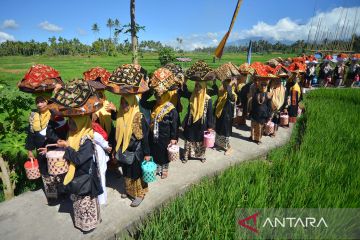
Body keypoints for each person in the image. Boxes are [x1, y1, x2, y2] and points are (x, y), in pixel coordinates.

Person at [55, 116, 103, 232]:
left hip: (84, 175)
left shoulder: (86, 140)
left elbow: (79, 159)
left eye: (74, 123)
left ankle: (90, 225)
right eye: (70, 122)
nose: (70, 125)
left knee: (86, 202)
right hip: (76, 175)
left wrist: (67, 147)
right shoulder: (71, 135)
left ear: (82, 123)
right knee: (78, 202)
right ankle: (81, 223)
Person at [108, 95, 151, 207]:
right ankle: (129, 191)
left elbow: (145, 137)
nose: (123, 105)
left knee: (136, 173)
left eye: (126, 103)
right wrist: (114, 110)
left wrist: (147, 154)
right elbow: (117, 120)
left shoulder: (138, 117)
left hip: (137, 152)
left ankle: (140, 195)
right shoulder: (121, 114)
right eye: (122, 103)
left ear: (132, 103)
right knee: (126, 171)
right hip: (124, 150)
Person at [26, 96, 67, 204]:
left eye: (42, 101)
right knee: (45, 173)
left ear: (47, 102)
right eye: (37, 102)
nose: (39, 105)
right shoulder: (33, 116)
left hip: (54, 149)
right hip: (40, 150)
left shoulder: (55, 115)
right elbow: (30, 134)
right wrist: (30, 150)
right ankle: (52, 196)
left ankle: (63, 192)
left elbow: (62, 134)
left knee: (58, 171)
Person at [182, 81, 214, 163]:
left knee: (200, 140)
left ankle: (201, 156)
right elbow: (183, 92)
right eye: (196, 86)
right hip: (191, 122)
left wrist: (210, 126)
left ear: (204, 87)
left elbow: (210, 114)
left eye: (200, 86)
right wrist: (184, 82)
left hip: (202, 124)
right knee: (189, 138)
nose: (198, 88)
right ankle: (186, 156)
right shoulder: (192, 96)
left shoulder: (207, 99)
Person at [214, 77, 237, 155]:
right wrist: (214, 83)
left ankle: (229, 148)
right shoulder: (222, 93)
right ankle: (221, 145)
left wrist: (230, 84)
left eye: (225, 84)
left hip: (227, 117)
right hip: (220, 115)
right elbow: (216, 92)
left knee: (226, 132)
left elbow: (230, 95)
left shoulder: (233, 95)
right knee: (219, 131)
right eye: (223, 83)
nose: (223, 85)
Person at [92, 114, 112, 206]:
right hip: (97, 156)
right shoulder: (93, 132)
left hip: (94, 156)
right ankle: (102, 199)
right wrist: (107, 147)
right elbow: (103, 141)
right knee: (101, 177)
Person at [249, 79, 272, 144]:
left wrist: (269, 116)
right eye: (262, 85)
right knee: (253, 126)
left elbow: (269, 106)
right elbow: (253, 103)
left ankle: (258, 139)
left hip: (263, 114)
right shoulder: (256, 93)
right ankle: (252, 137)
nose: (263, 86)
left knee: (260, 128)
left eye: (265, 85)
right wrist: (250, 112)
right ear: (259, 85)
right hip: (255, 113)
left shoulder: (268, 95)